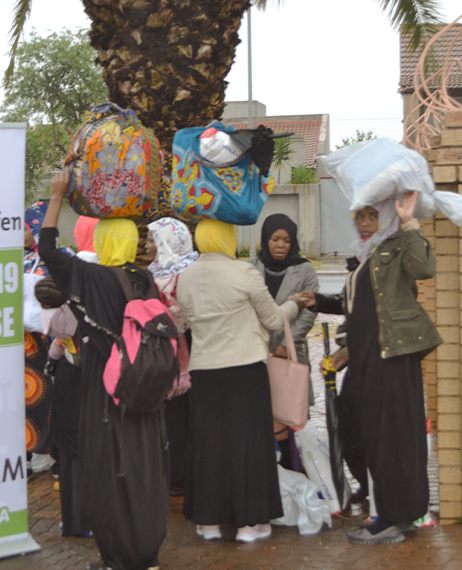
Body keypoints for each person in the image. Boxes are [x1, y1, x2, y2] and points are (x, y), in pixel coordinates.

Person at [39, 172, 168, 570]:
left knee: (108, 472)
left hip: (105, 391)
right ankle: (145, 554)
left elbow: (47, 247)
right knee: (144, 470)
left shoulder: (90, 276)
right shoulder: (145, 279)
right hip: (144, 391)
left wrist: (57, 197)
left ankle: (117, 557)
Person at [298, 192, 442, 545]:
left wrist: (409, 223)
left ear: (386, 219)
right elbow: (357, 307)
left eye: (371, 216)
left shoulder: (395, 249)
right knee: (356, 431)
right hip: (365, 360)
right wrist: (319, 301)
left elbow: (424, 269)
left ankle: (394, 517)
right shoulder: (367, 256)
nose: (363, 223)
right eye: (359, 216)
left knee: (391, 439)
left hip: (390, 359)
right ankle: (390, 504)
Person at [177, 219, 305, 543]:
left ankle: (208, 523)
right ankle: (250, 525)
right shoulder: (243, 272)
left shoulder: (186, 276)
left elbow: (188, 320)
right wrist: (295, 304)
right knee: (247, 444)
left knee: (209, 446)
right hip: (244, 368)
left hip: (204, 370)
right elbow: (274, 318)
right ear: (227, 238)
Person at [250, 213, 319, 470]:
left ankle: (299, 474)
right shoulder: (251, 267)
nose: (280, 245)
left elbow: (309, 313)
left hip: (291, 355)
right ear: (265, 239)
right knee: (261, 416)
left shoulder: (305, 269)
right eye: (275, 239)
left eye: (287, 240)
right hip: (256, 355)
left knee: (293, 414)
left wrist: (284, 346)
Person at [146, 217, 198, 495]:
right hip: (170, 349)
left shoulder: (179, 275)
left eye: (152, 240)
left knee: (181, 414)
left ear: (166, 243)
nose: (146, 245)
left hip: (182, 350)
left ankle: (179, 473)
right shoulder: (158, 271)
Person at [35, 275, 90, 539]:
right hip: (85, 385)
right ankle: (86, 519)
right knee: (85, 453)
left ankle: (72, 521)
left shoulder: (54, 318)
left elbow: (57, 346)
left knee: (70, 456)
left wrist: (52, 363)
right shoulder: (77, 314)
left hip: (66, 384)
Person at [24, 201, 55, 465]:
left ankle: (54, 454)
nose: (18, 234)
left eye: (23, 229)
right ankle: (24, 456)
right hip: (21, 344)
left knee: (49, 396)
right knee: (22, 398)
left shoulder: (57, 258)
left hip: (48, 340)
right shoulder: (13, 261)